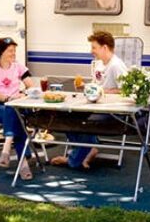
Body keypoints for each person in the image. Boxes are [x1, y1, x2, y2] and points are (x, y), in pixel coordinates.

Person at [50, 31, 128, 169]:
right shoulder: (99, 64)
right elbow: (96, 86)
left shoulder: (116, 66)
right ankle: (89, 148)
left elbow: (127, 90)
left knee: (83, 123)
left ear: (104, 48)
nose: (91, 51)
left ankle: (74, 160)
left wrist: (103, 92)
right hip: (94, 104)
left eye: (94, 47)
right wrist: (84, 87)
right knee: (65, 116)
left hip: (110, 110)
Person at [0, 37, 35, 180]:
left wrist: (23, 93)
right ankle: (23, 162)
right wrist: (8, 99)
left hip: (17, 106)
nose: (13, 54)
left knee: (14, 112)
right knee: (13, 114)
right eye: (10, 51)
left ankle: (7, 148)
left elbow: (31, 86)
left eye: (14, 51)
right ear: (1, 52)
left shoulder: (18, 67)